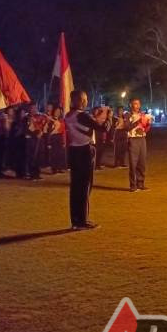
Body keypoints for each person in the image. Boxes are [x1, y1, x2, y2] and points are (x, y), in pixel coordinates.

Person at [65, 90, 109, 230]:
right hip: (84, 150)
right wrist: (108, 117)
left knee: (76, 187)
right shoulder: (81, 115)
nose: (86, 102)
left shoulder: (69, 115)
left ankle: (76, 220)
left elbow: (85, 126)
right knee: (85, 186)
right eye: (83, 99)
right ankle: (82, 221)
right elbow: (102, 128)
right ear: (78, 100)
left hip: (74, 150)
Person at [126, 98, 152, 192]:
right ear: (131, 105)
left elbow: (145, 130)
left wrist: (148, 124)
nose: (137, 106)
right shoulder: (128, 115)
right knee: (133, 163)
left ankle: (140, 183)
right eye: (135, 104)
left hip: (142, 139)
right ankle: (133, 185)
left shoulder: (142, 115)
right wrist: (138, 121)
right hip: (133, 140)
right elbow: (127, 127)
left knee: (142, 163)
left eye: (138, 104)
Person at [25, 104, 48, 180]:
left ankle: (37, 173)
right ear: (29, 109)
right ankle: (32, 174)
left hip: (39, 139)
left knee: (38, 156)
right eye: (32, 108)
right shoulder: (27, 118)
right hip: (31, 139)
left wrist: (41, 132)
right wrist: (35, 133)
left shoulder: (40, 116)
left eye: (35, 108)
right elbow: (28, 128)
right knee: (32, 156)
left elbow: (43, 125)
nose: (34, 109)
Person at [47, 106, 67, 174]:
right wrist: (49, 142)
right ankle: (54, 168)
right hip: (53, 137)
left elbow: (63, 131)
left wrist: (64, 141)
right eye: (56, 111)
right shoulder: (50, 119)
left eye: (59, 112)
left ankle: (59, 167)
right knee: (54, 153)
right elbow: (48, 130)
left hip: (59, 137)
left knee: (60, 153)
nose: (57, 113)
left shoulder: (61, 120)